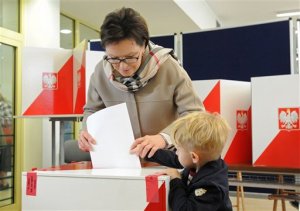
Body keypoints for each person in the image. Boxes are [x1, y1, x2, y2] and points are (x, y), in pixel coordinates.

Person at [78, 7, 204, 161]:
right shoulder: (100, 72)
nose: (123, 66)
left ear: (144, 44)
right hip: (120, 161)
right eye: (114, 58)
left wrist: (163, 138)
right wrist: (86, 131)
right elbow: (91, 110)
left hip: (167, 160)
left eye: (131, 57)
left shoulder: (169, 67)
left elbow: (195, 115)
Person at [145, 111, 233, 211]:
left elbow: (184, 209)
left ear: (194, 157)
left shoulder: (211, 186)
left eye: (177, 148)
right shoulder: (203, 161)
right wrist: (147, 152)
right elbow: (175, 158)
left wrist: (176, 180)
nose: (176, 152)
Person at [0, 92, 13, 190]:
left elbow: (10, 121)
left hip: (4, 137)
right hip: (3, 138)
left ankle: (4, 182)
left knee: (4, 159)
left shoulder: (4, 105)